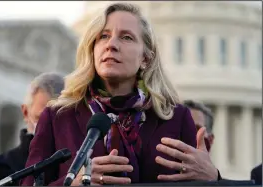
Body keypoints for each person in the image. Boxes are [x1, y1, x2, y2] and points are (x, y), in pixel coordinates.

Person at [21, 3, 220, 186]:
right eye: (104, 36)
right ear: (92, 49)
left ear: (146, 58)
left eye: (126, 37)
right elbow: (29, 183)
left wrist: (213, 178)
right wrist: (72, 183)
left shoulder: (175, 118)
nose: (111, 45)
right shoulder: (57, 117)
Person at [0, 72, 64, 185]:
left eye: (59, 120)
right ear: (25, 112)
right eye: (42, 119)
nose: (50, 127)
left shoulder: (81, 171)